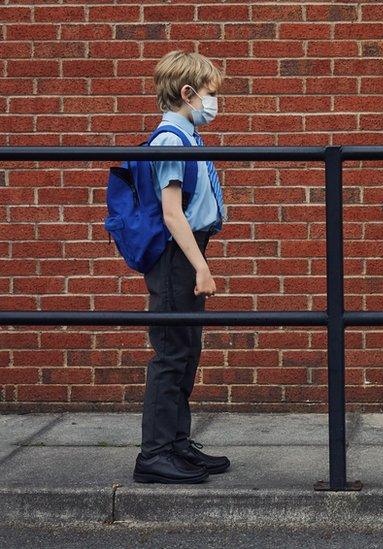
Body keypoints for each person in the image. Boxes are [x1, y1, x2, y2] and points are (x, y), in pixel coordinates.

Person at [133, 50, 230, 484]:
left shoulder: (188, 134)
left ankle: (176, 444)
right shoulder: (171, 138)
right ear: (188, 93)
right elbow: (172, 213)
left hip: (188, 250)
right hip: (178, 254)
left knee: (186, 351)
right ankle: (154, 454)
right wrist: (201, 268)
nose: (214, 103)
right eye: (211, 94)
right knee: (172, 353)